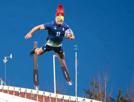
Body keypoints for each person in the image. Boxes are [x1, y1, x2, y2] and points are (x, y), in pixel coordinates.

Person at [25, 4, 75, 86]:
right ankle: (35, 50)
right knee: (39, 53)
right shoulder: (50, 25)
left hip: (58, 46)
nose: (60, 22)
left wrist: (70, 37)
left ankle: (65, 69)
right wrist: (30, 33)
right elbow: (38, 27)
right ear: (56, 18)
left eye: (61, 20)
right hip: (49, 44)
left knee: (62, 56)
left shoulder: (65, 26)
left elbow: (73, 36)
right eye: (59, 20)